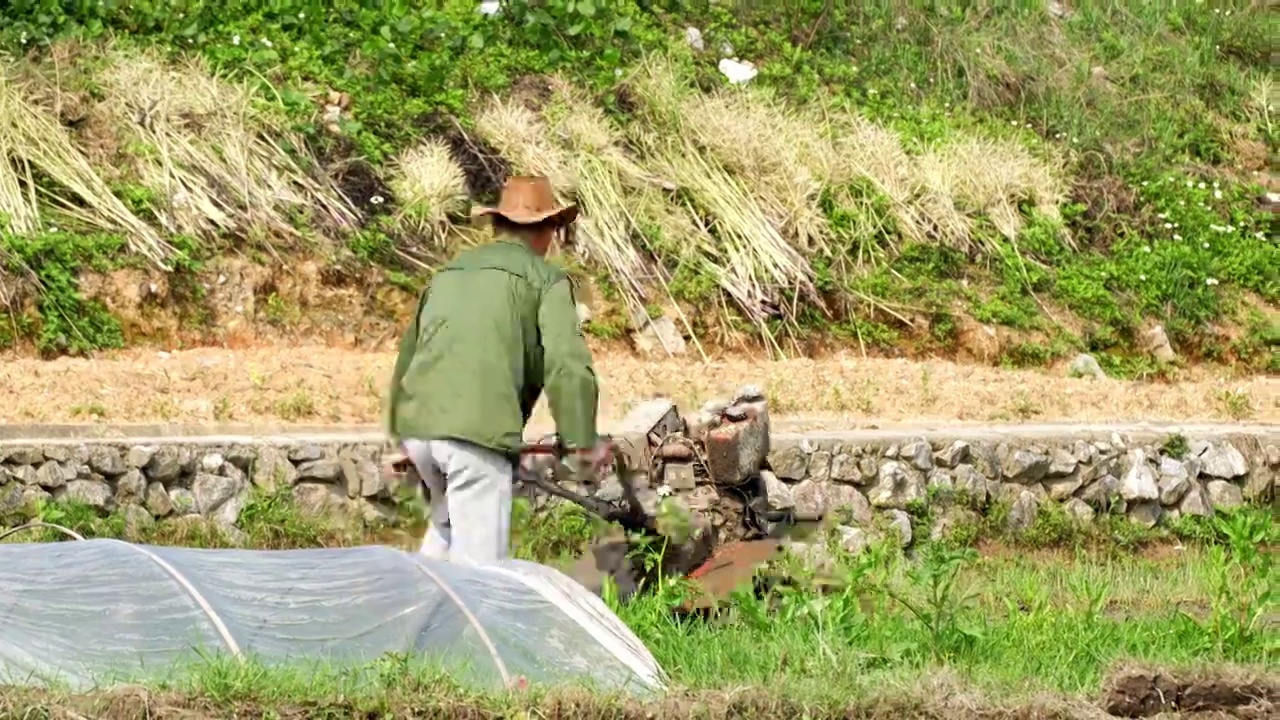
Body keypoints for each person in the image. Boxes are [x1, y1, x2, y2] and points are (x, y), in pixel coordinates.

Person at [385, 175, 613, 567]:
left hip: (419, 428)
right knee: (481, 575)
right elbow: (567, 365)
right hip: (475, 436)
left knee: (444, 535)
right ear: (549, 231)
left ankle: (411, 625)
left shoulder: (448, 274)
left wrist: (400, 441)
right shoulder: (546, 280)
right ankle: (463, 629)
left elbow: (408, 356)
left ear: (497, 226)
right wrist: (582, 441)